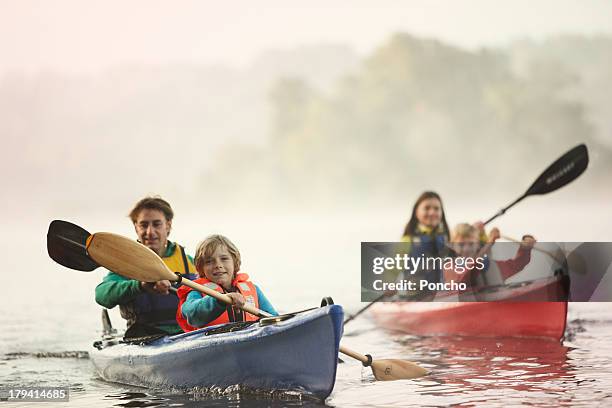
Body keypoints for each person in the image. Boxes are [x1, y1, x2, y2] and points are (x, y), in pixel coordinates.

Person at [95, 196, 197, 336]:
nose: (150, 232)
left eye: (156, 224)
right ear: (136, 227)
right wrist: (140, 286)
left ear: (168, 225)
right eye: (143, 225)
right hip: (144, 336)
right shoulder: (126, 264)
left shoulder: (190, 262)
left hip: (188, 334)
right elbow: (101, 295)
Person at [177, 234, 277, 331]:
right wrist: (219, 300)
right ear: (201, 268)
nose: (218, 265)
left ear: (235, 262)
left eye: (224, 259)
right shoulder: (197, 291)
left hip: (250, 341)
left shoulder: (253, 289)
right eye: (209, 261)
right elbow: (192, 316)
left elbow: (275, 319)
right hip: (214, 344)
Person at [445, 222, 536, 286]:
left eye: (471, 244)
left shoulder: (492, 266)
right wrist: (489, 243)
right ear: (453, 246)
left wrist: (526, 248)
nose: (466, 249)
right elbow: (466, 276)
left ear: (478, 245)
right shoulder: (449, 268)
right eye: (461, 244)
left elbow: (518, 264)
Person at [398, 191, 451, 291]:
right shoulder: (407, 239)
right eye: (427, 208)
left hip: (442, 294)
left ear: (442, 213)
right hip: (415, 295)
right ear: (416, 212)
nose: (432, 212)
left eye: (436, 209)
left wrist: (480, 234)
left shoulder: (447, 237)